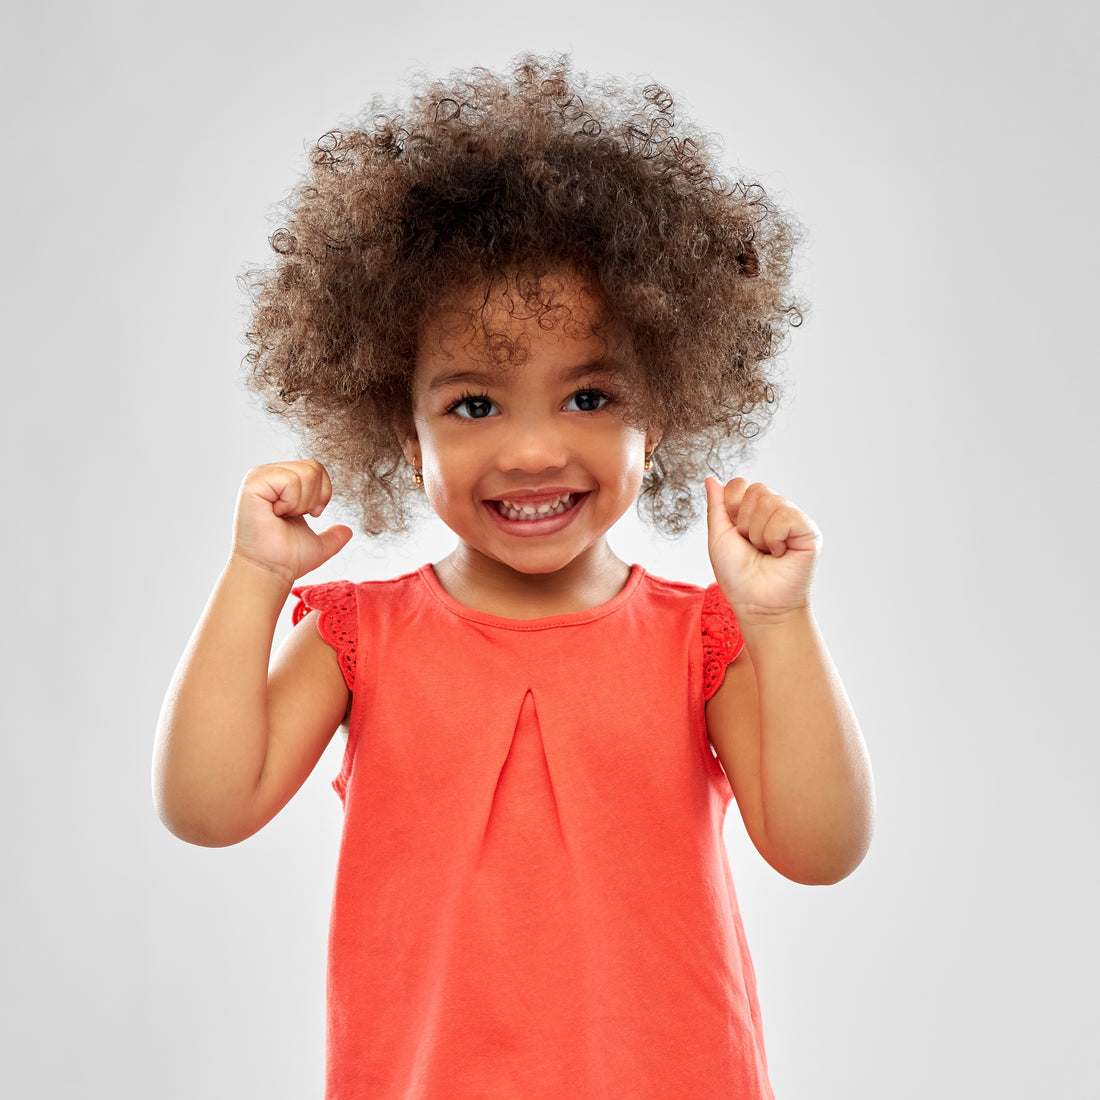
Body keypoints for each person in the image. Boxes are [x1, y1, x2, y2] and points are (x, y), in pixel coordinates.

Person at [154, 54, 874, 1099]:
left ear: (659, 410)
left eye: (586, 396)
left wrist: (782, 621)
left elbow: (820, 847)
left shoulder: (701, 639)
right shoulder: (366, 636)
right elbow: (205, 804)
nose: (533, 451)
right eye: (475, 406)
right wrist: (253, 576)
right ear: (400, 435)